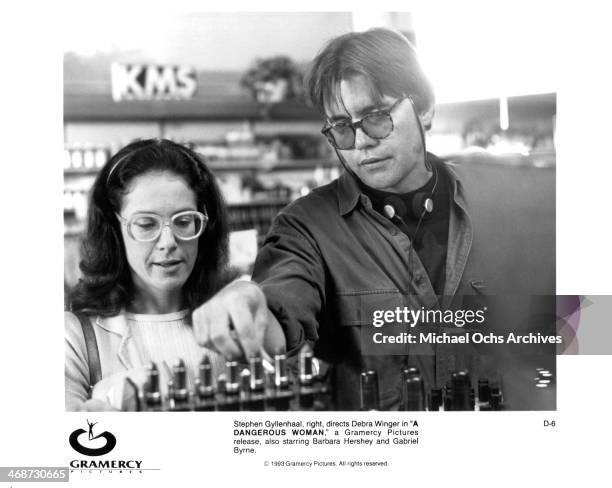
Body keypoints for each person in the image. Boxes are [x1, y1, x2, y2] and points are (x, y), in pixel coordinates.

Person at [192, 28, 555, 410]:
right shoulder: (307, 228)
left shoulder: (508, 204)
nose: (361, 141)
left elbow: (581, 329)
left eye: (376, 117)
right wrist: (251, 308)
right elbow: (281, 304)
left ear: (425, 108)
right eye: (342, 128)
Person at [65, 139, 285, 411]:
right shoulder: (74, 336)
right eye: (146, 224)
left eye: (183, 221)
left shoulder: (233, 317)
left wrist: (254, 300)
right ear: (114, 229)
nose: (168, 241)